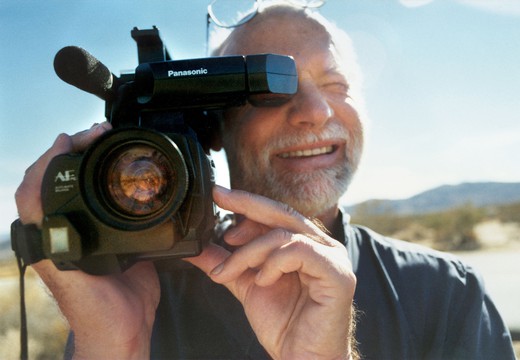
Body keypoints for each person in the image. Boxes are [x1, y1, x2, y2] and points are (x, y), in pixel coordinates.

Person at [14, 2, 515, 359]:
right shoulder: (134, 296)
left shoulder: (450, 296)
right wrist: (113, 346)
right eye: (273, 91)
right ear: (218, 129)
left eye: (335, 84)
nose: (315, 112)